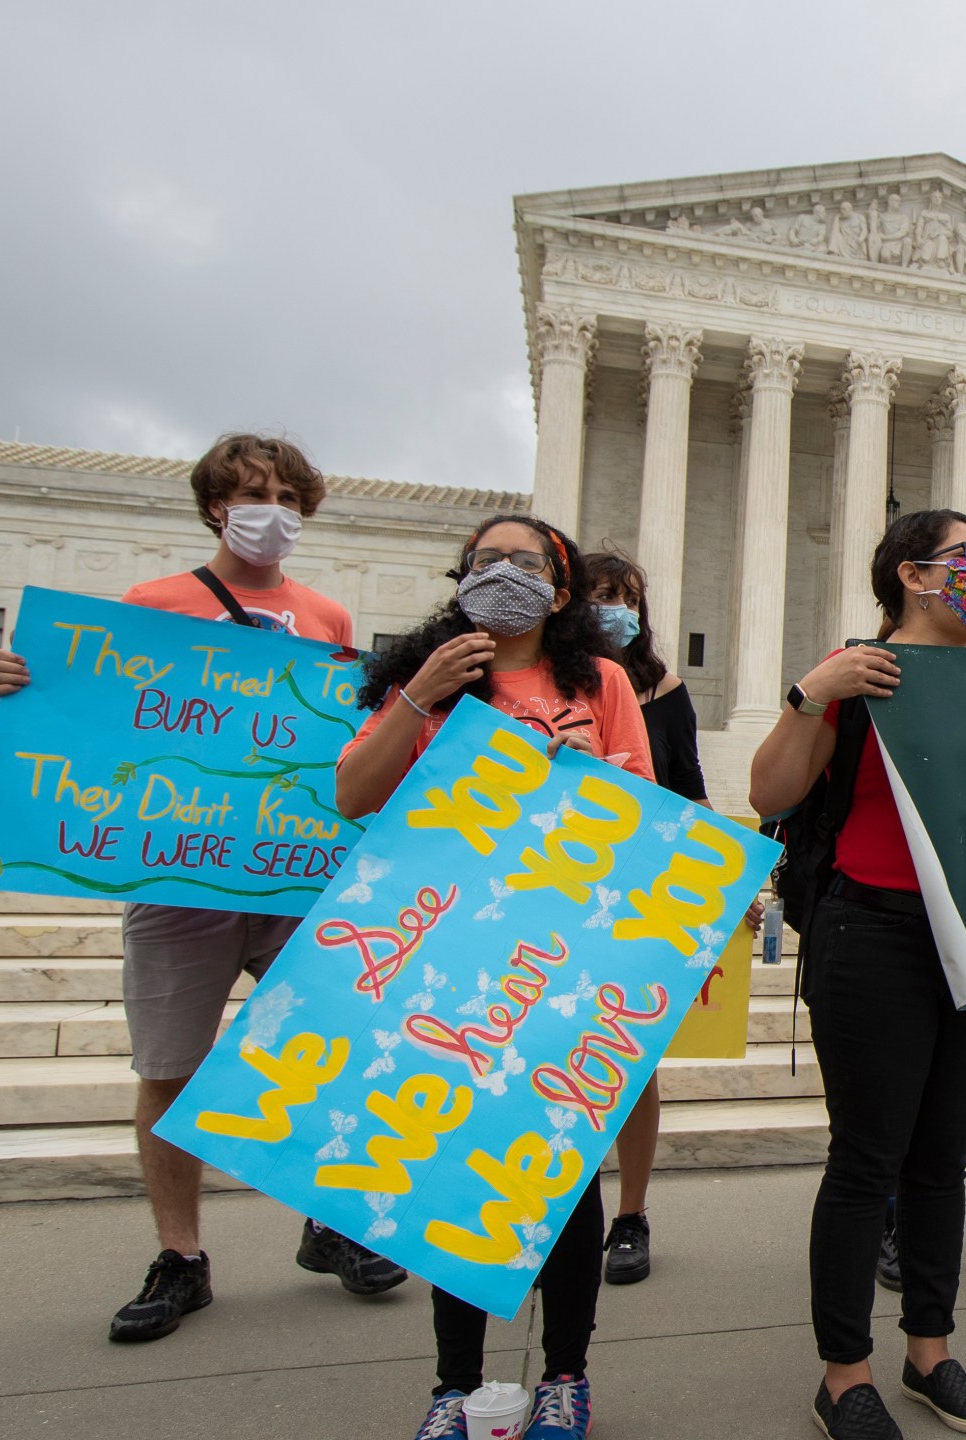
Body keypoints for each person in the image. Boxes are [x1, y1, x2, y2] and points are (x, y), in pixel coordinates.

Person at [0, 433, 407, 1343]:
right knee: (169, 1071)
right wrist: (23, 686)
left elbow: (337, 742)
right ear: (216, 505)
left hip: (293, 876)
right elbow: (100, 712)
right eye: (255, 493)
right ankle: (181, 1256)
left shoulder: (327, 618)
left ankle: (329, 1222)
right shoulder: (154, 604)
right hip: (178, 880)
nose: (273, 512)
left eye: (289, 496)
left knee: (330, 1051)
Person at [338, 514, 641, 1440]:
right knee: (451, 1171)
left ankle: (564, 1376)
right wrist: (420, 700)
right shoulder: (418, 679)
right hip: (447, 958)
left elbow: (650, 814)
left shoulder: (606, 684)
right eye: (485, 561)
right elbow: (355, 797)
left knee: (566, 1176)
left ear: (560, 590)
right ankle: (454, 1388)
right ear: (459, 577)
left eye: (524, 562)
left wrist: (595, 782)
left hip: (560, 954)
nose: (501, 572)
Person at [750, 509, 966, 1440]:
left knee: (939, 1162)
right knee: (865, 1160)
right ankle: (844, 1374)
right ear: (913, 576)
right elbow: (770, 794)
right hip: (869, 933)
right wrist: (810, 694)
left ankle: (931, 1351)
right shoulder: (858, 674)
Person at [579, 550, 712, 1287]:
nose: (615, 607)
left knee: (630, 1066)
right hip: (548, 893)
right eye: (601, 594)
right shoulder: (538, 683)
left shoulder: (664, 689)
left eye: (626, 595)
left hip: (633, 895)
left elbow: (688, 789)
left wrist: (732, 882)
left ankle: (630, 1214)